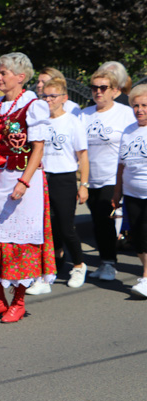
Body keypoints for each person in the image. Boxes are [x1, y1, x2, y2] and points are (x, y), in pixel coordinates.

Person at [0, 53, 55, 323]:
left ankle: (18, 301)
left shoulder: (33, 106)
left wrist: (24, 181)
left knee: (20, 241)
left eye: (3, 73)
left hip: (23, 181)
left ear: (20, 77)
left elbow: (38, 148)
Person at [30, 78, 89, 293]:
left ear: (64, 98)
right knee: (45, 228)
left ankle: (79, 265)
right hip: (43, 177)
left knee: (65, 226)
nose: (48, 100)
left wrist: (84, 184)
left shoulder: (72, 122)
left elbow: (83, 156)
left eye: (53, 96)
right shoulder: (39, 121)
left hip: (64, 178)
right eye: (45, 96)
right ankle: (47, 272)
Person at [80, 67, 135, 281]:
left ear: (114, 90)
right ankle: (105, 261)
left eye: (103, 87)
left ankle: (110, 263)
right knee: (98, 221)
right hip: (89, 178)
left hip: (113, 177)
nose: (98, 92)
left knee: (105, 218)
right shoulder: (84, 114)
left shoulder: (124, 113)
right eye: (94, 87)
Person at [114, 84, 147, 298]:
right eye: (136, 105)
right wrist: (117, 193)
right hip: (131, 194)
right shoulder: (128, 131)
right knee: (138, 236)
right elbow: (121, 165)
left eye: (145, 105)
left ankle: (146, 277)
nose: (140, 109)